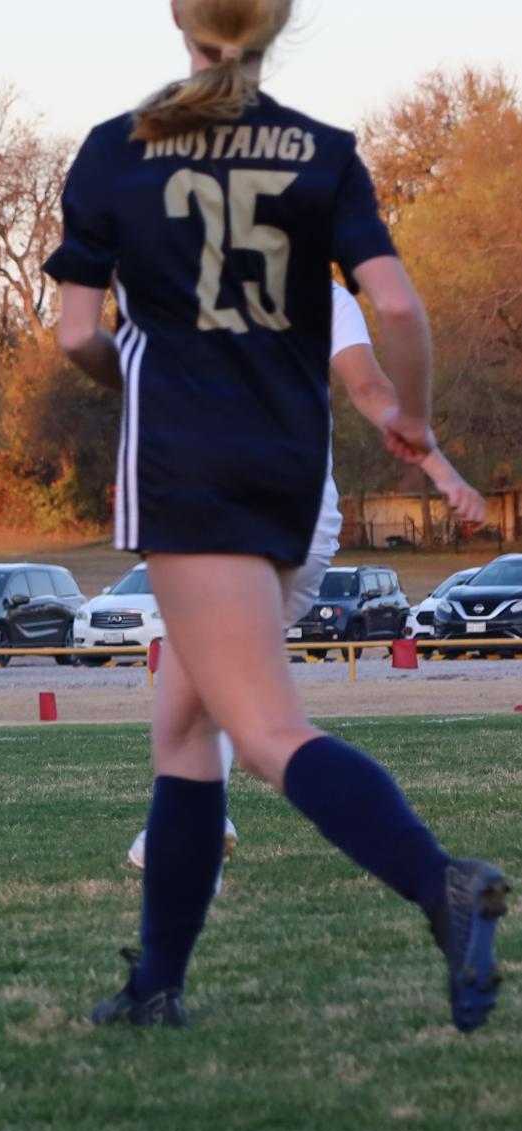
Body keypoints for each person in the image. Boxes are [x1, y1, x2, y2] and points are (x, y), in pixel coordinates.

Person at [46, 0, 505, 1030]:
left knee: (261, 730)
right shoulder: (323, 151)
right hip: (292, 476)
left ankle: (445, 884)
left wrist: (134, 367)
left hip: (191, 471)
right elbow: (394, 307)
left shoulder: (118, 153)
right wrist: (415, 416)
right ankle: (157, 983)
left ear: (179, 15)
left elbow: (77, 331)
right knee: (183, 722)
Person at [123, 283, 484, 889]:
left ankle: (436, 879)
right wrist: (441, 470)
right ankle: (183, 847)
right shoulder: (325, 291)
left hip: (231, 510)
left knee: (252, 729)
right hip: (306, 521)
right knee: (211, 700)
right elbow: (370, 389)